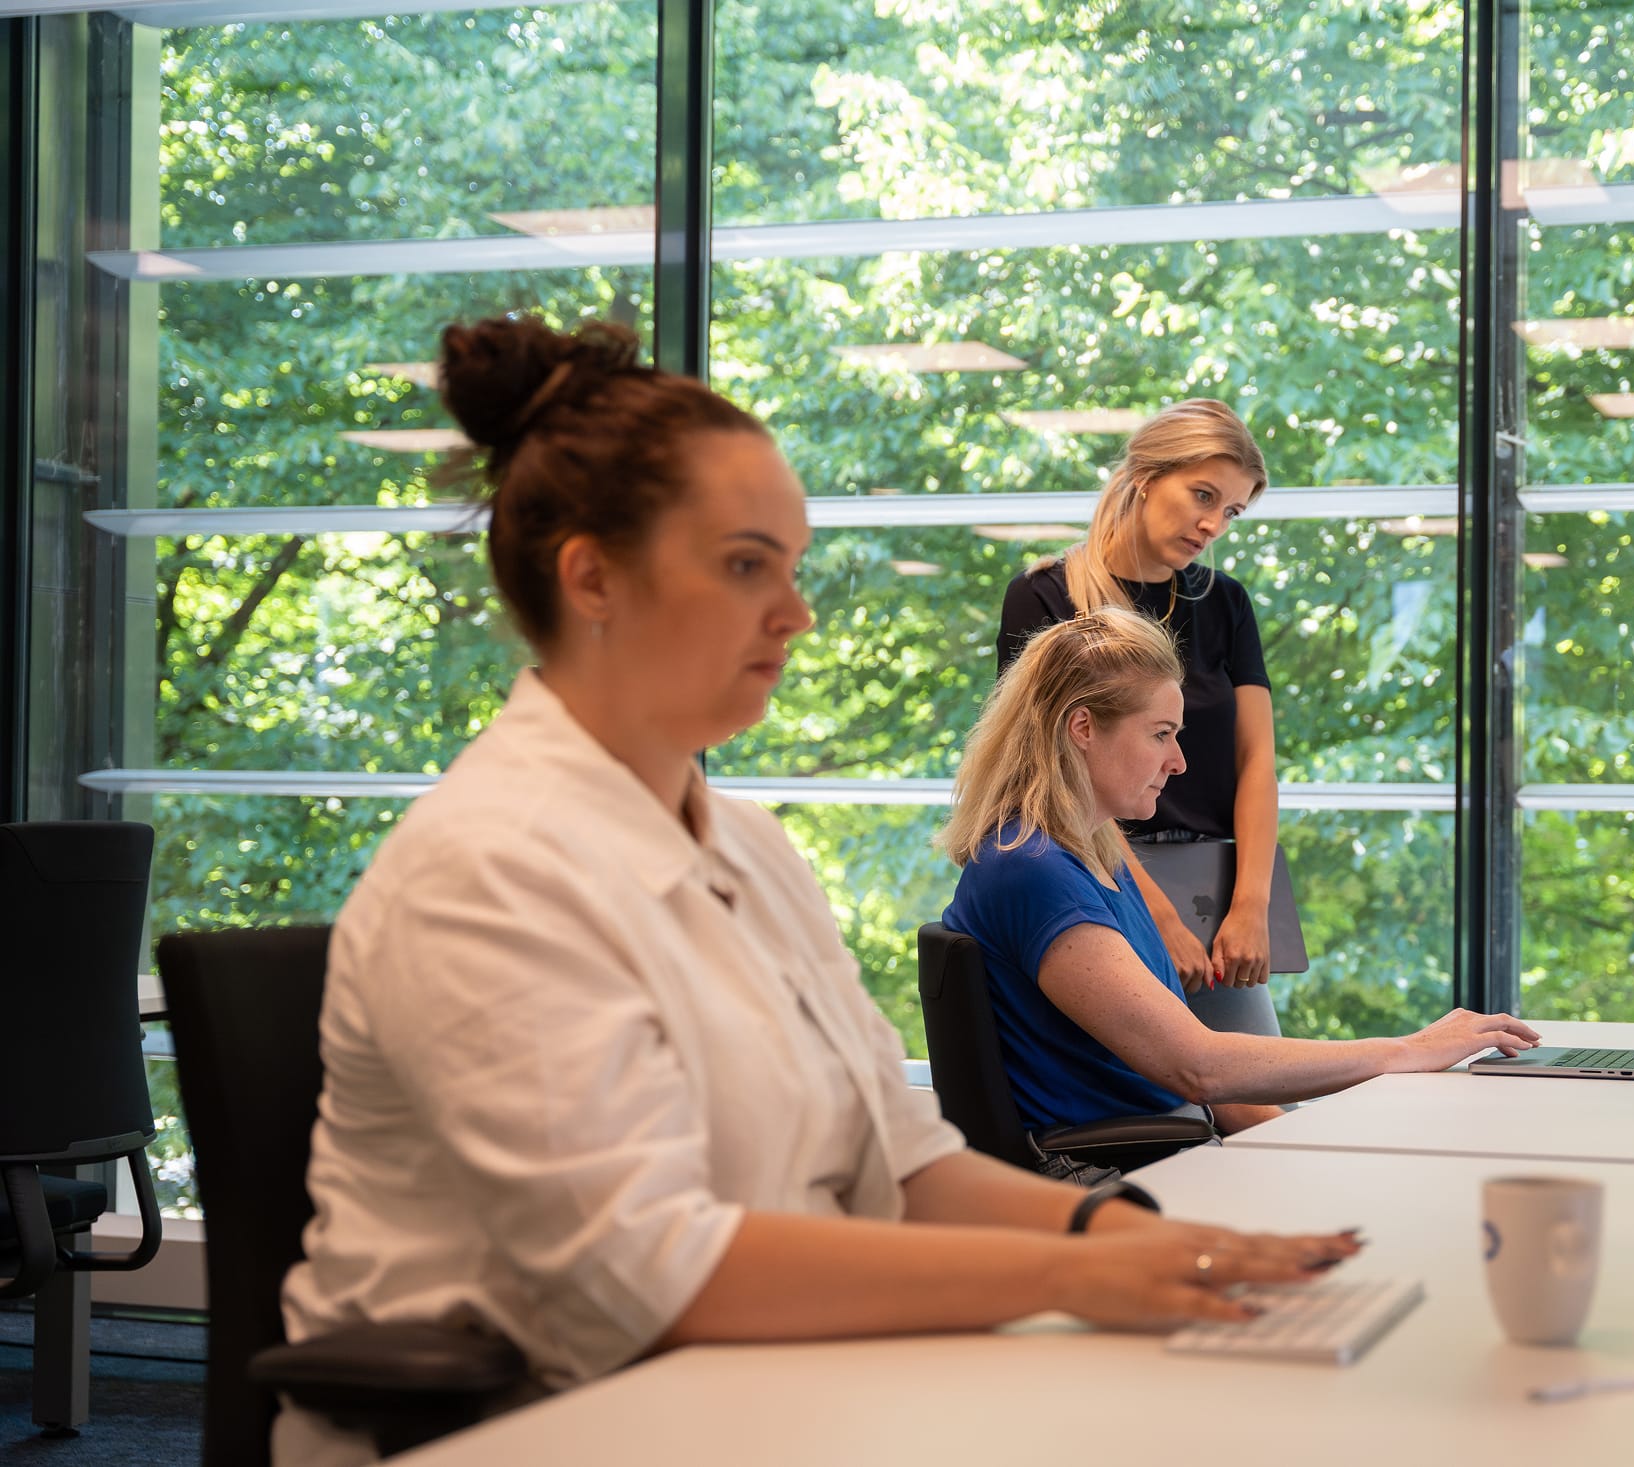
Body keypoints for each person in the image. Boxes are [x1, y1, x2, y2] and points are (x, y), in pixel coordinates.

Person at [273, 318, 1359, 1467]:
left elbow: (905, 1162)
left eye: (790, 568)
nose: (794, 615)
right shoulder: (488, 870)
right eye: (747, 566)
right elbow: (652, 1273)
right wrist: (1093, 1268)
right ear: (591, 576)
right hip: (551, 1421)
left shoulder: (748, 848)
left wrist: (1136, 1233)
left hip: (753, 1387)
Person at [941, 606, 1541, 1137]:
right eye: (1160, 735)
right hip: (1120, 1170)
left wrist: (1301, 1152)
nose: (1178, 762)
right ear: (1082, 728)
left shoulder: (1090, 849)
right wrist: (1408, 1050)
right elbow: (1197, 1067)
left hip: (1166, 1144)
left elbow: (1205, 1087)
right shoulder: (1031, 869)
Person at [995, 400, 1283, 1035]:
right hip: (1091, 877)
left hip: (1213, 889)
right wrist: (1155, 913)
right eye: (1202, 495)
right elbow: (1050, 775)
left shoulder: (1226, 602)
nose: (1213, 524)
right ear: (1147, 477)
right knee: (1165, 1100)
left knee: (1256, 1101)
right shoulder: (1046, 597)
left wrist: (1251, 905)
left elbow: (1256, 760)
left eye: (1231, 511)